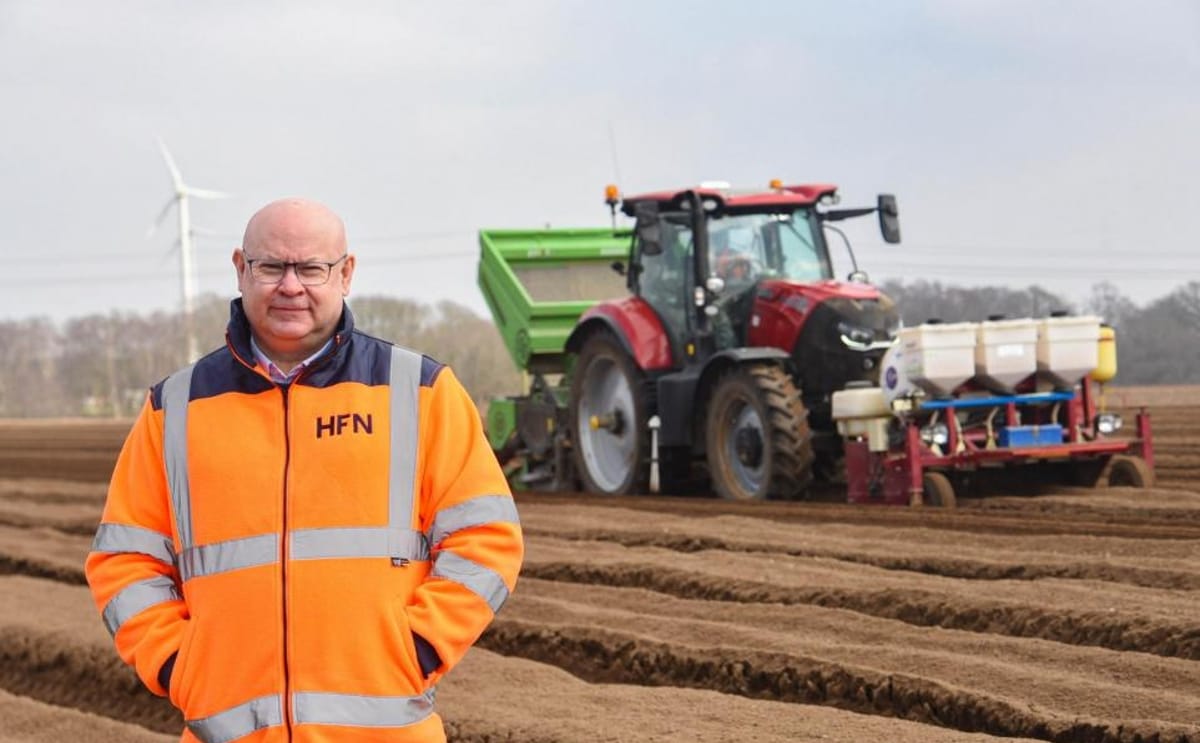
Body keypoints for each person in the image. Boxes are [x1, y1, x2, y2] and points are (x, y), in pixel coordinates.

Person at [85, 197, 523, 743]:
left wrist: (417, 647)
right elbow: (126, 559)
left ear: (346, 274)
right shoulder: (172, 408)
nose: (290, 285)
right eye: (271, 266)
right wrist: (180, 664)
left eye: (311, 268)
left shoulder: (422, 391)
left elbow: (486, 539)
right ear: (241, 269)